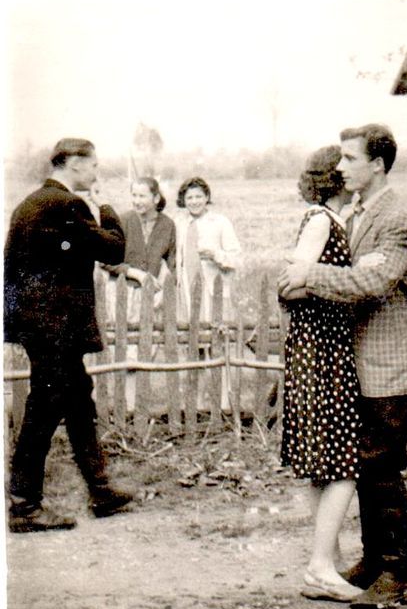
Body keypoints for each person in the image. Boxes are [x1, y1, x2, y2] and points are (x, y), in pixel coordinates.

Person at [277, 124, 407, 609]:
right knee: (363, 465)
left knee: (382, 467)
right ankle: (375, 560)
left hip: (388, 363)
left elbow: (374, 282)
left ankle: (398, 575)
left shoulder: (397, 219)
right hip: (357, 363)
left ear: (377, 165)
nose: (340, 168)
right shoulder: (357, 214)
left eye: (350, 159)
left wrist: (308, 274)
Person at [4, 138, 134, 532]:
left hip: (40, 326)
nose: (96, 173)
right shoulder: (66, 205)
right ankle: (24, 506)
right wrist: (105, 207)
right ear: (75, 164)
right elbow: (113, 249)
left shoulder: (31, 204)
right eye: (93, 165)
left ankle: (101, 490)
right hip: (55, 329)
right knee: (44, 410)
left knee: (78, 401)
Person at [280, 146, 365, 602]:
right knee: (343, 461)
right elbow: (292, 283)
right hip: (321, 347)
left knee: (322, 462)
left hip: (318, 345)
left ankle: (327, 562)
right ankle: (319, 566)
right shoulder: (321, 221)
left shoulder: (330, 219)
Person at [103, 177, 176, 322]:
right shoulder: (122, 221)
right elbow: (105, 260)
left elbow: (173, 264)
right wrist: (136, 274)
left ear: (156, 198)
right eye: (134, 195)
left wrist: (165, 291)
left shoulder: (168, 225)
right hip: (122, 292)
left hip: (152, 295)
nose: (136, 201)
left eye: (142, 196)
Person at [174, 177, 241, 321]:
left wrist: (215, 255)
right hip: (186, 285)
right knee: (189, 325)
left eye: (198, 196)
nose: (194, 202)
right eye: (189, 198)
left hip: (212, 287)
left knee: (213, 325)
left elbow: (236, 258)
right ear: (183, 200)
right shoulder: (179, 223)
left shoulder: (220, 222)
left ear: (207, 197)